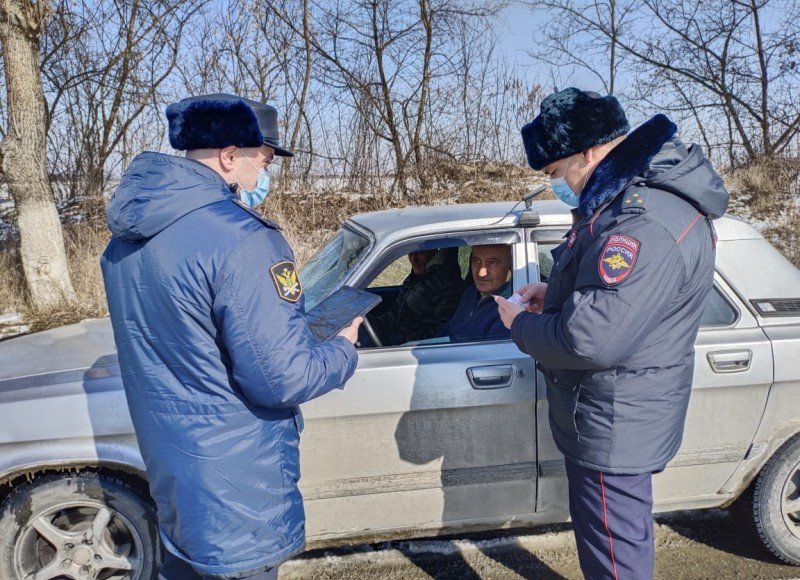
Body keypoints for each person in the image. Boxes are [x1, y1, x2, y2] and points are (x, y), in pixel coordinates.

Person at [101, 93, 362, 580]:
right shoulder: (244, 239)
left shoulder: (126, 239)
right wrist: (343, 349)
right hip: (237, 486)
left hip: (176, 475)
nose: (264, 175)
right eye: (262, 161)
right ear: (228, 156)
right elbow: (282, 378)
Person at [495, 88, 728, 579]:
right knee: (611, 549)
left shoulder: (641, 223)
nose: (560, 185)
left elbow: (590, 339)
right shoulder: (622, 202)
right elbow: (607, 298)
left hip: (614, 421)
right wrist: (550, 292)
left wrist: (522, 324)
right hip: (612, 412)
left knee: (616, 563)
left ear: (587, 151)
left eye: (557, 173)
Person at [367, 248, 464, 345]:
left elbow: (443, 329)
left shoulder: (446, 284)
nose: (414, 259)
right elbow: (396, 313)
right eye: (411, 253)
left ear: (433, 251)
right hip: (392, 336)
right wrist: (376, 323)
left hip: (411, 348)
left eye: (420, 253)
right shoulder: (416, 277)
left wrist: (410, 341)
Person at [437, 244, 512, 342]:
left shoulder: (509, 308)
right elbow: (448, 328)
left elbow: (488, 355)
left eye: (492, 262)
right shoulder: (471, 292)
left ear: (510, 265)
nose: (481, 273)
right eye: (476, 261)